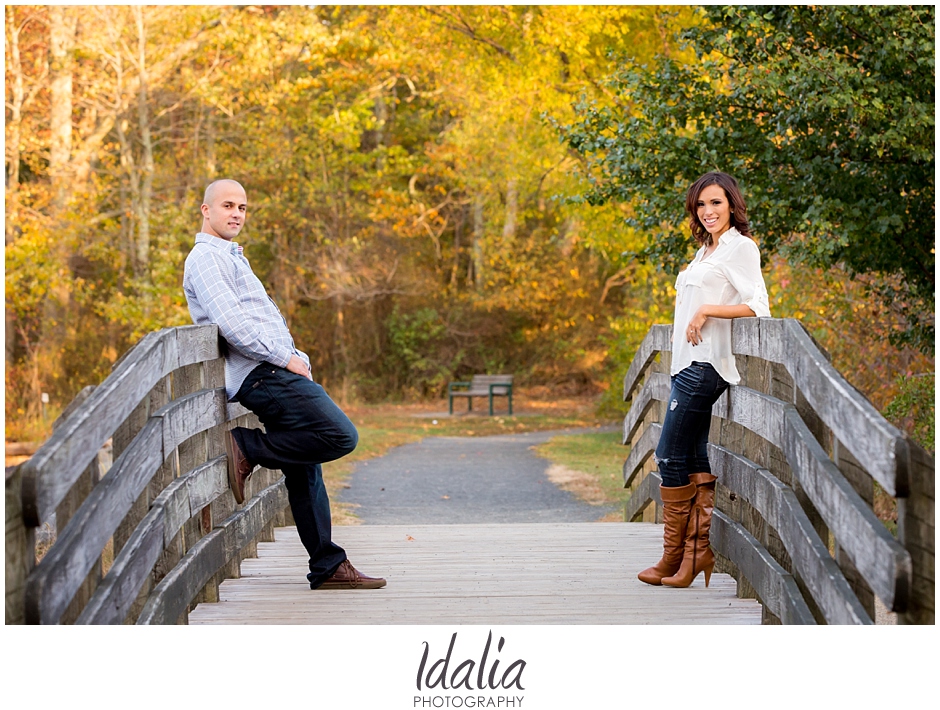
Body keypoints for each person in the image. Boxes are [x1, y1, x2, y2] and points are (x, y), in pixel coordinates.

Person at [183, 178, 386, 590]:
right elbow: (234, 326)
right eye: (227, 205)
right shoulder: (206, 260)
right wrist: (285, 359)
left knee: (304, 466)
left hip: (273, 369)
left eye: (242, 207)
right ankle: (248, 446)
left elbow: (257, 318)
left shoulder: (232, 256)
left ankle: (327, 567)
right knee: (339, 435)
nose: (237, 213)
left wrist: (298, 358)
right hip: (263, 374)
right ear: (206, 211)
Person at [638, 171, 770, 589]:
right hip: (685, 364)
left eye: (716, 202)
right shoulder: (704, 251)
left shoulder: (741, 248)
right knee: (692, 456)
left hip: (706, 366)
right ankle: (694, 556)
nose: (708, 211)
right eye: (701, 205)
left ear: (731, 203)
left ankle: (674, 556)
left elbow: (758, 306)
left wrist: (708, 310)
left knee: (667, 455)